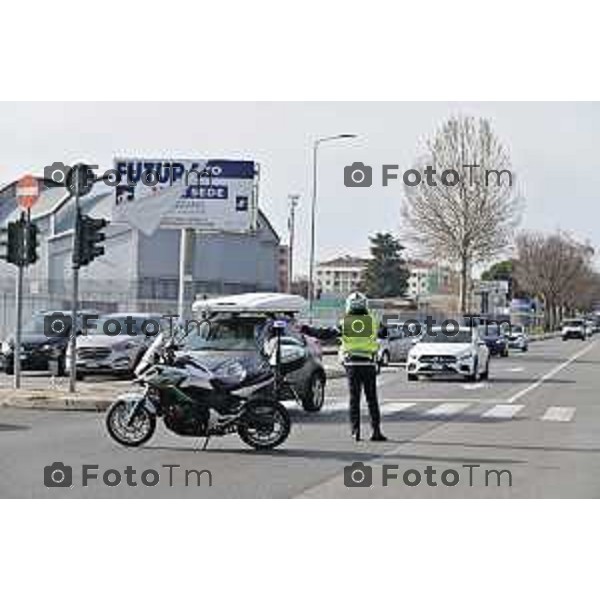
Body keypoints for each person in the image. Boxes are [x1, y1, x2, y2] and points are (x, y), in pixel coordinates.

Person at [302, 291, 387, 442]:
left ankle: (356, 431)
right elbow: (384, 333)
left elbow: (325, 334)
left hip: (352, 364)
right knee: (371, 399)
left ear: (349, 306)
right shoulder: (373, 321)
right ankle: (376, 432)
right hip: (368, 363)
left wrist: (306, 329)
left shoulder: (344, 322)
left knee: (354, 399)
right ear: (365, 305)